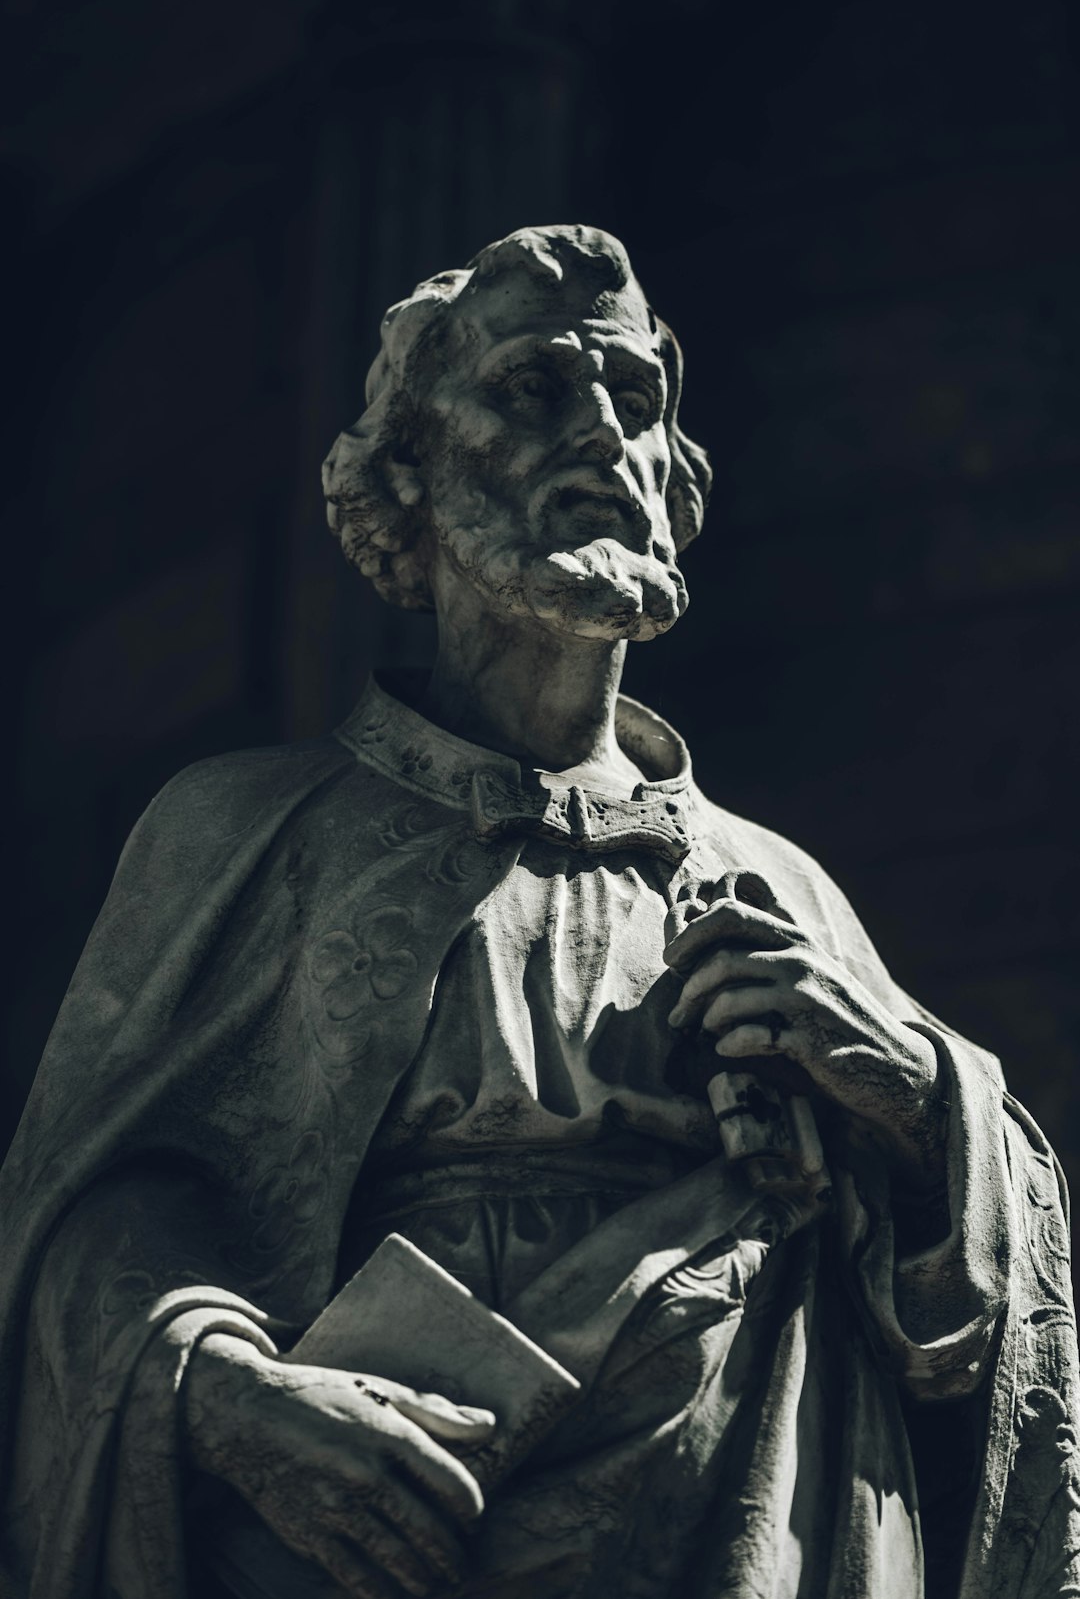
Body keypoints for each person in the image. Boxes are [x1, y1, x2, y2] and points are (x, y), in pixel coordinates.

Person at [1, 225, 1077, 1599]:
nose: (604, 439)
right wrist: (226, 1392)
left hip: (758, 1529)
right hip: (393, 1534)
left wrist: (921, 1094)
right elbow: (89, 1208)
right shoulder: (251, 832)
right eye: (531, 393)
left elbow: (970, 1328)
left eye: (634, 401)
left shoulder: (783, 885)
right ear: (411, 474)